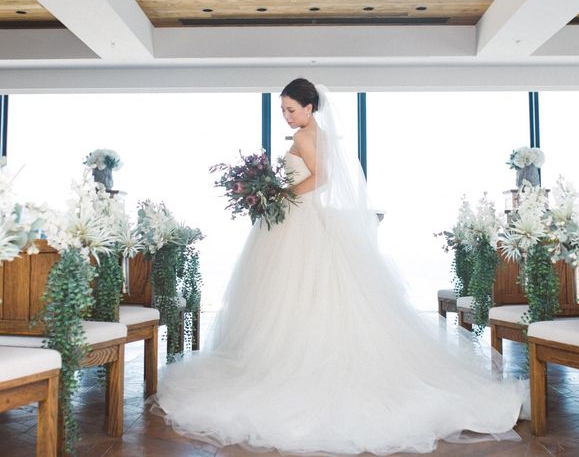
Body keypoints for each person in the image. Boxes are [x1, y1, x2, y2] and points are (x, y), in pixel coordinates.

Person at [153, 78, 528, 455]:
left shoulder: (303, 137)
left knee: (292, 292)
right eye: (282, 110)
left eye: (291, 109)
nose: (286, 116)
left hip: (298, 219)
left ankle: (291, 361)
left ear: (309, 107)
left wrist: (279, 193)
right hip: (309, 218)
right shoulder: (321, 135)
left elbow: (322, 177)